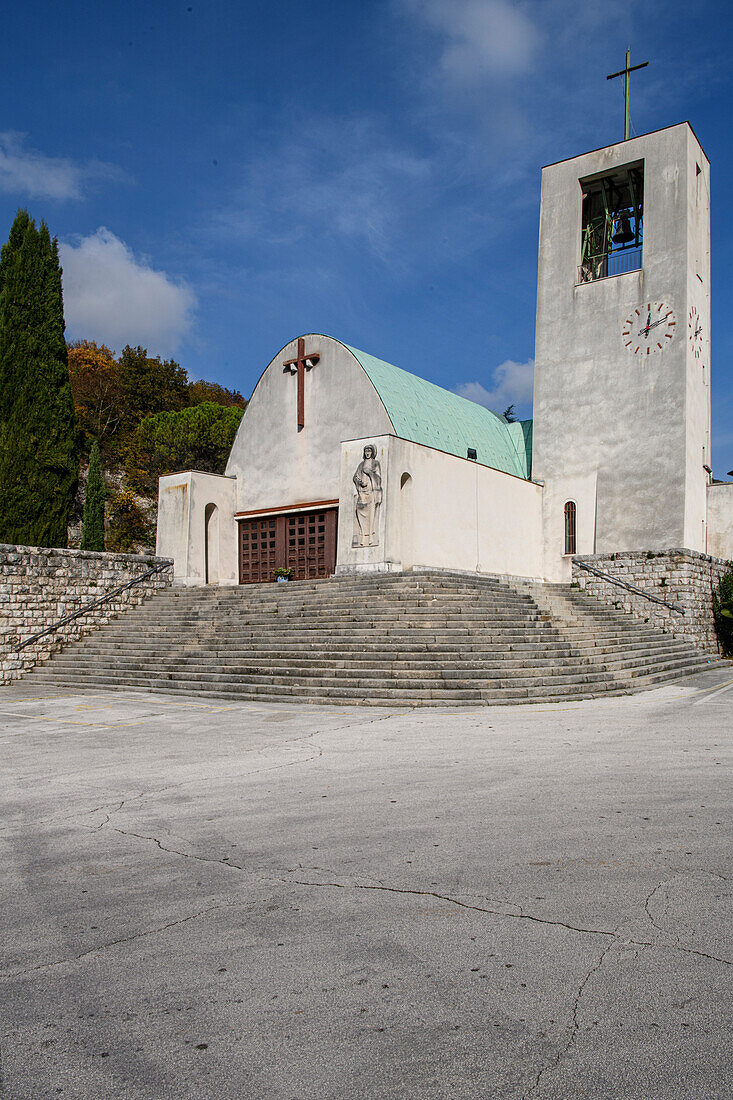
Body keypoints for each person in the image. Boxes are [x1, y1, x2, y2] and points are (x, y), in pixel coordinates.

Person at [352, 444, 382, 547]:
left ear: (372, 452)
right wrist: (359, 482)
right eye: (366, 451)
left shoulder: (375, 463)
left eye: (369, 451)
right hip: (362, 492)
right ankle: (362, 534)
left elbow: (379, 478)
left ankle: (370, 536)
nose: (367, 453)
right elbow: (355, 476)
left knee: (371, 514)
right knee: (360, 510)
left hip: (371, 491)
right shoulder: (361, 464)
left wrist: (370, 473)